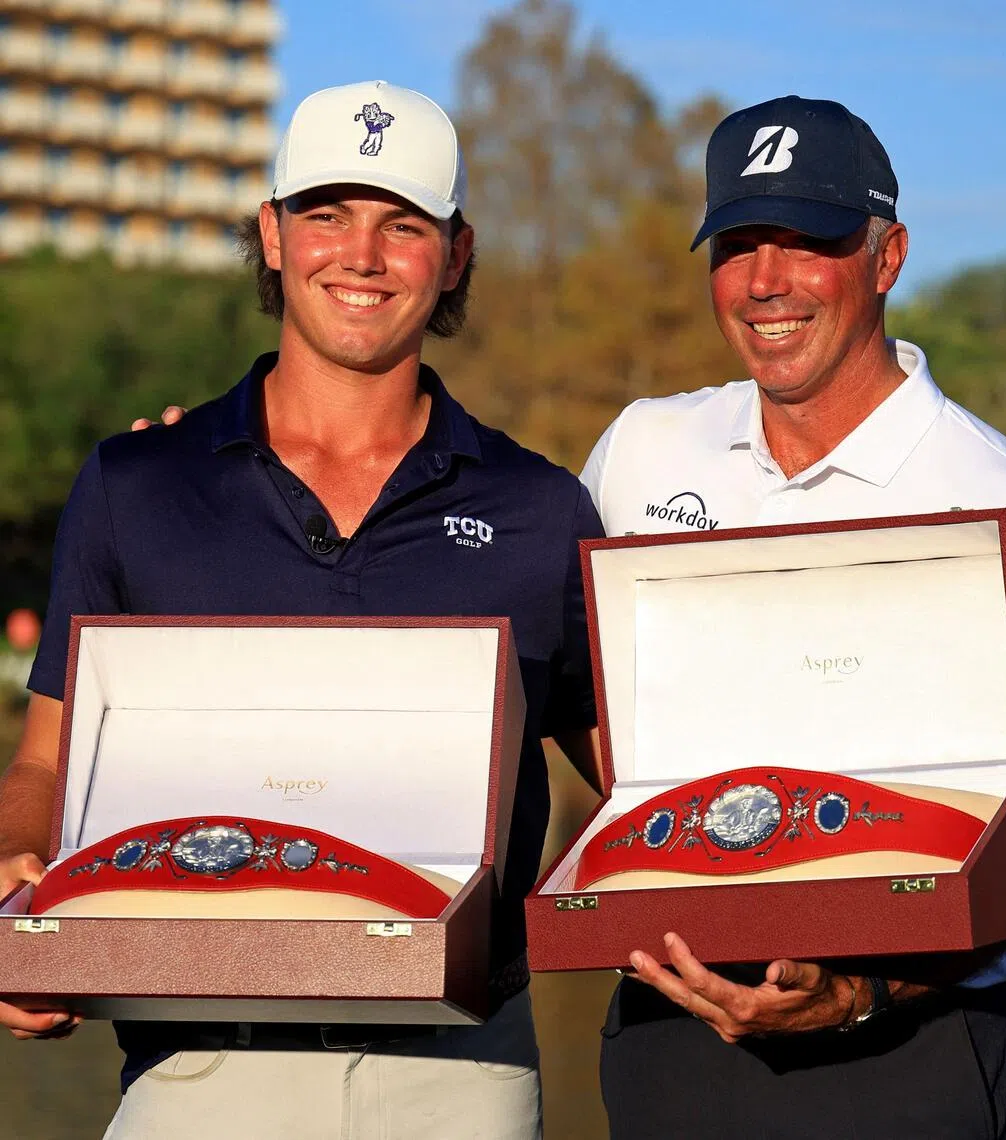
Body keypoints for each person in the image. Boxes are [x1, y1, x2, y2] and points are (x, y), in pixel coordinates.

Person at [0, 80, 603, 1140]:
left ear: (455, 256)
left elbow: (639, 782)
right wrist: (15, 895)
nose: (361, 256)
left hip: (462, 1080)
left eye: (401, 224)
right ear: (272, 236)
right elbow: (45, 768)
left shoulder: (542, 511)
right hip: (196, 1066)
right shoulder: (137, 484)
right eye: (326, 215)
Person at [579, 95, 1006, 1140]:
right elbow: (538, 647)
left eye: (808, 242)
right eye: (738, 245)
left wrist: (857, 990)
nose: (766, 281)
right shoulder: (641, 450)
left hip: (906, 1050)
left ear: (887, 255)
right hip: (671, 1028)